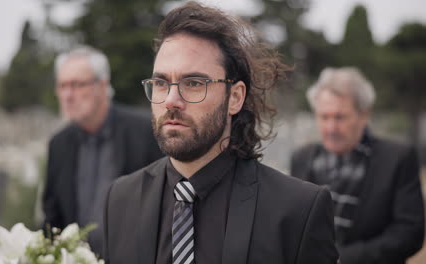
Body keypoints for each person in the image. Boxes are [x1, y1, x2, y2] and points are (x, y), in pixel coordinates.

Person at [103, 2, 339, 263]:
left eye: (193, 83)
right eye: (160, 83)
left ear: (235, 97)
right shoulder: (120, 199)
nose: (171, 100)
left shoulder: (298, 210)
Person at [291, 67, 425, 264]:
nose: (330, 128)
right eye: (324, 117)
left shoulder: (398, 158)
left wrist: (341, 259)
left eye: (340, 117)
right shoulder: (302, 158)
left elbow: (409, 233)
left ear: (364, 115)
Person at [42, 46, 163, 256]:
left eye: (77, 85)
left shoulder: (146, 132)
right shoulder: (58, 144)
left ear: (103, 85)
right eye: (62, 86)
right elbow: (52, 217)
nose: (68, 95)